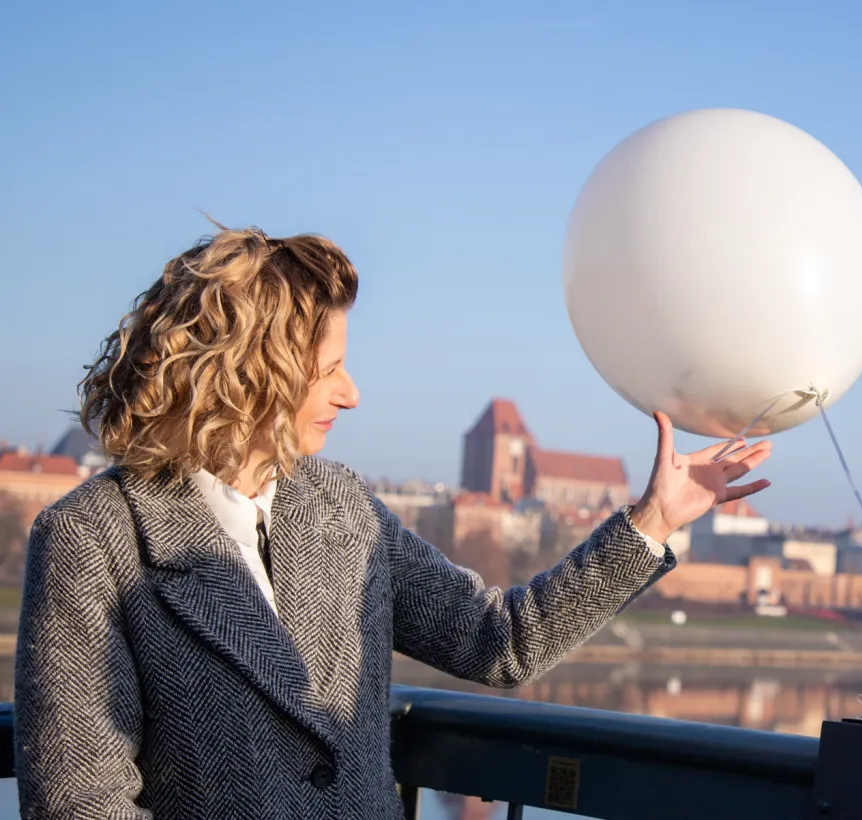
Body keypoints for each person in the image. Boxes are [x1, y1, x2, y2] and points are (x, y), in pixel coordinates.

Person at [14, 224, 773, 819]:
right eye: (328, 369)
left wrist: (653, 520)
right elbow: (81, 804)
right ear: (250, 371)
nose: (352, 395)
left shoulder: (341, 509)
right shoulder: (94, 539)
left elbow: (499, 641)